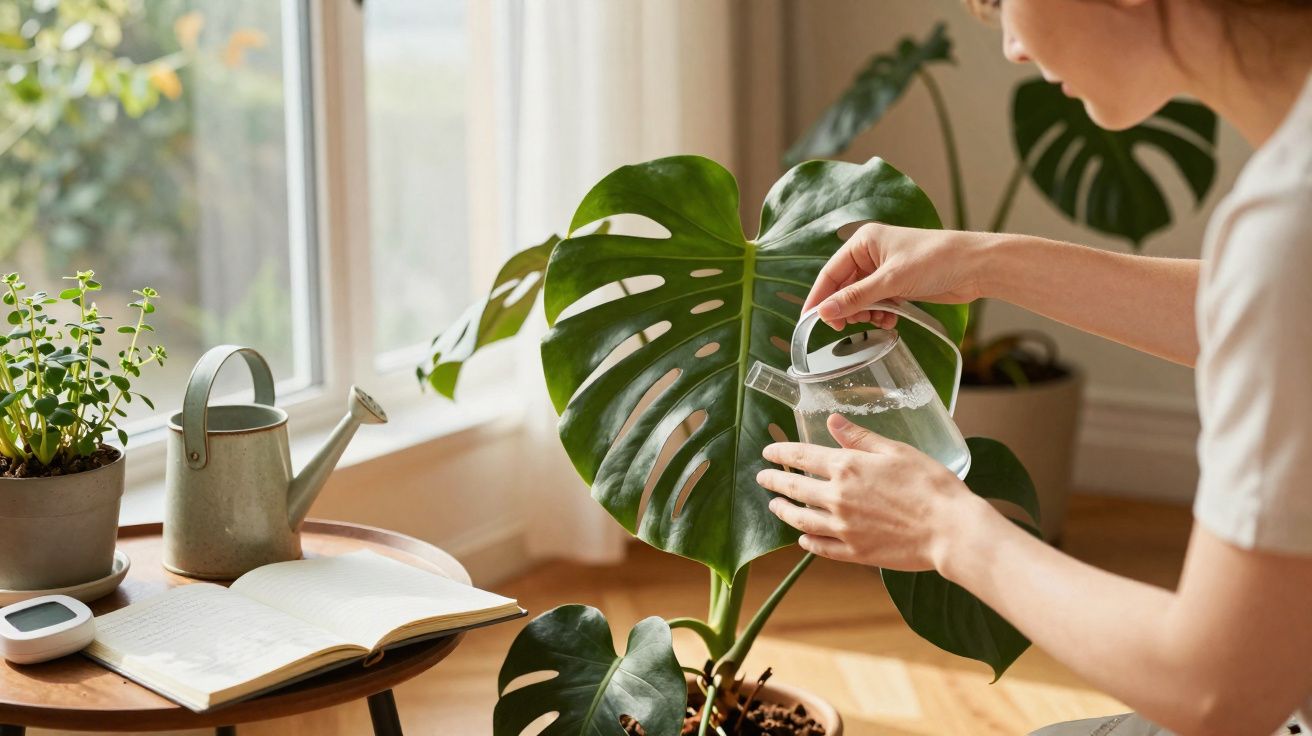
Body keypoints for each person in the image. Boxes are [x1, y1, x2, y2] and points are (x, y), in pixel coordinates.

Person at [753, 1, 1312, 734]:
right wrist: (989, 263)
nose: (1012, 46)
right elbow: (1278, 318)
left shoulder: (1288, 221)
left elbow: (1218, 689)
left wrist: (944, 528)